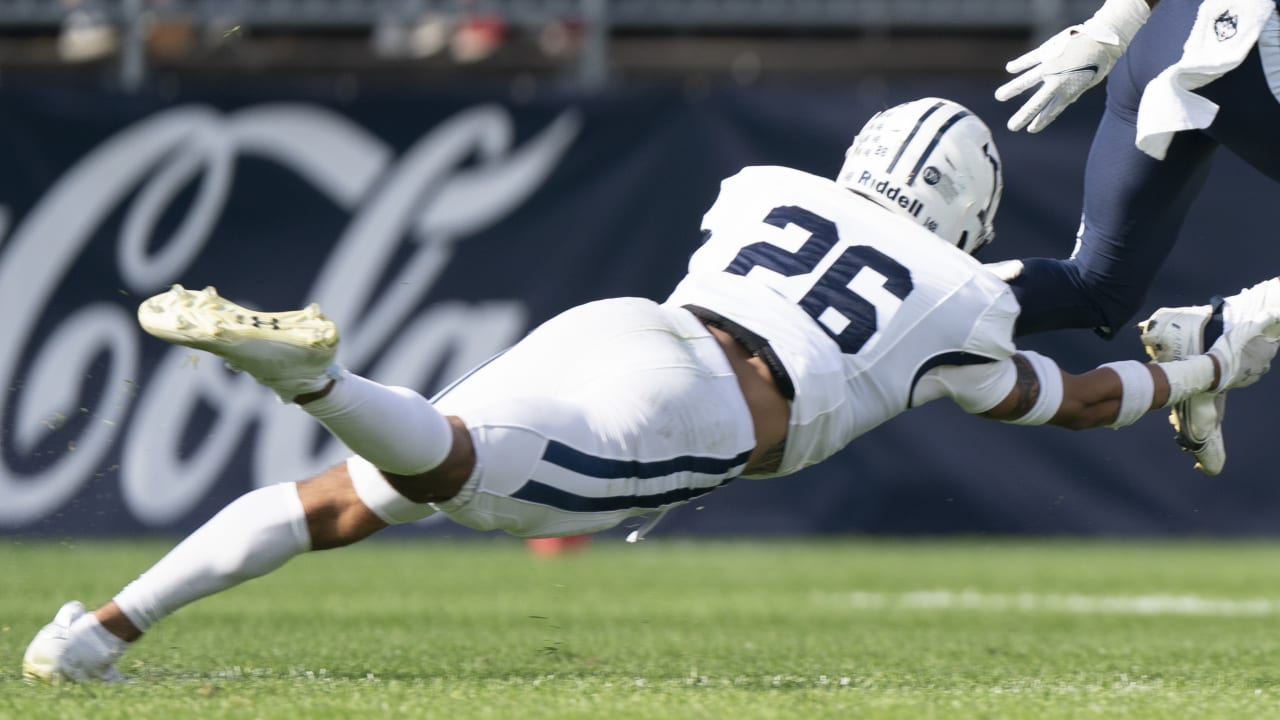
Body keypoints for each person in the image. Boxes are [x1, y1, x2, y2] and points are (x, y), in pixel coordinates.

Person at [22, 97, 1278, 684]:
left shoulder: (766, 189)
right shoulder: (963, 298)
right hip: (705, 413)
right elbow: (1074, 403)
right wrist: (1211, 361)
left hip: (632, 327)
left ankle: (94, 636)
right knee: (459, 481)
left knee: (354, 498)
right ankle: (324, 376)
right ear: (970, 208)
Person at [992, 0, 1280, 473]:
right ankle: (1232, 323)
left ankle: (896, 293)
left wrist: (1108, 27)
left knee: (1094, 287)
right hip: (1242, 45)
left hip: (1159, 36)